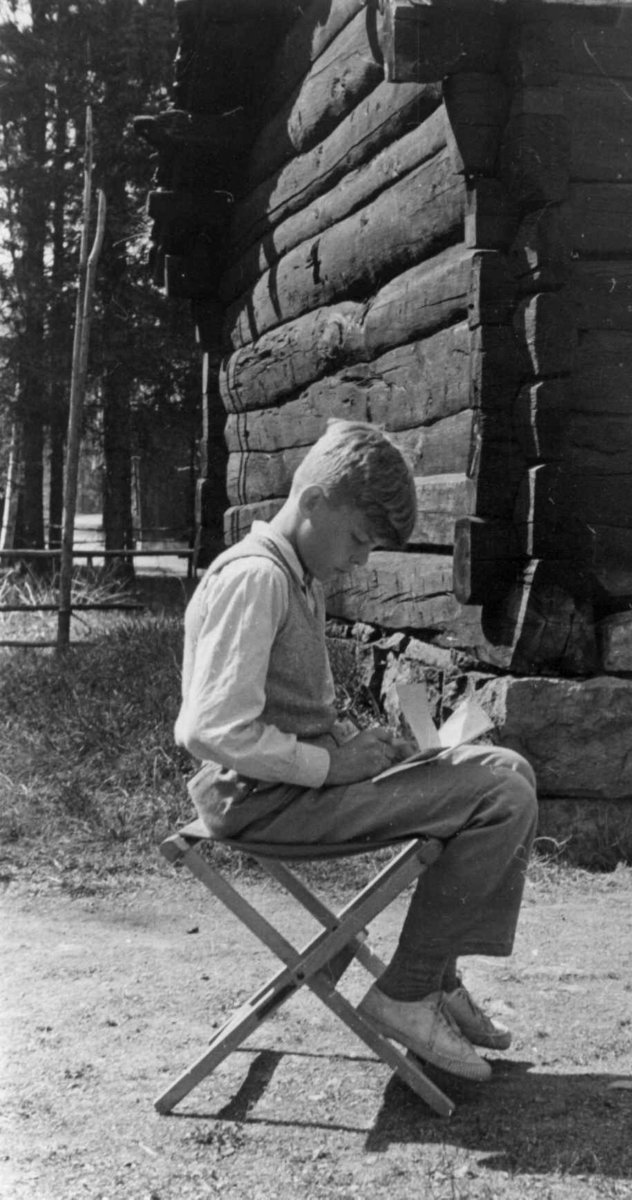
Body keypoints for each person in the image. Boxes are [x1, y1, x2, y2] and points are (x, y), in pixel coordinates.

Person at [175, 419, 538, 1082]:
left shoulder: (294, 574)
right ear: (313, 502)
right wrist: (333, 765)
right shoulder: (257, 579)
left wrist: (353, 746)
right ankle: (409, 992)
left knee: (508, 770)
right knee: (501, 792)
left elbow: (284, 713)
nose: (360, 561)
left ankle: (435, 972)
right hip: (263, 803)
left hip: (290, 790)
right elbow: (211, 729)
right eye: (358, 540)